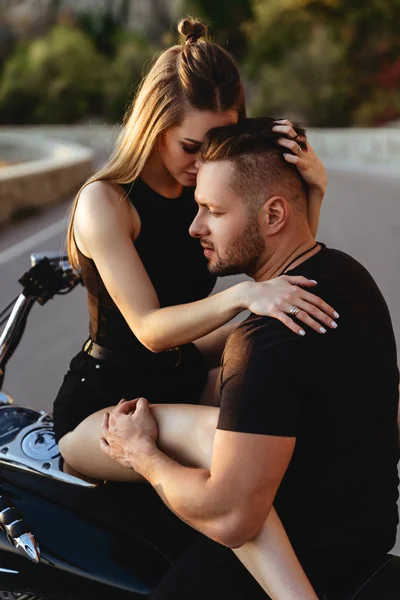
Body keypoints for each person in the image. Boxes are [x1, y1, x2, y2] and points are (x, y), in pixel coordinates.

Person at [100, 118, 400, 600]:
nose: (195, 226)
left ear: (274, 215)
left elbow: (232, 518)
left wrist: (142, 455)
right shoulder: (350, 277)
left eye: (212, 210)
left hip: (303, 564)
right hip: (365, 543)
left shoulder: (266, 340)